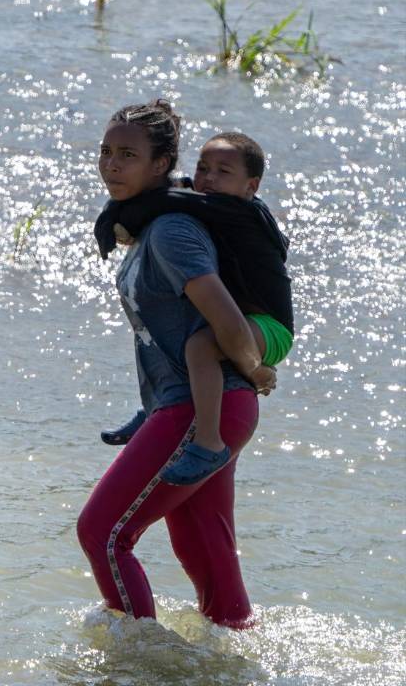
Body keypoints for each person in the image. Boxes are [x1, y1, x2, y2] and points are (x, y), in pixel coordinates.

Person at [76, 100, 277, 629]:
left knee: (104, 533)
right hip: (206, 406)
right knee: (203, 551)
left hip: (201, 408)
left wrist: (257, 369)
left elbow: (227, 321)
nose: (111, 164)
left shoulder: (171, 232)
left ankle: (137, 660)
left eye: (128, 155)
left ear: (161, 165)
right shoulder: (150, 228)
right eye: (106, 151)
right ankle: (235, 652)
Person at [96, 132, 294, 485]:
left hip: (270, 326)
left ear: (251, 186)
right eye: (203, 168)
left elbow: (167, 201)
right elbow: (179, 193)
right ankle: (155, 406)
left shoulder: (239, 211)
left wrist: (114, 213)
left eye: (223, 172)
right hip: (241, 317)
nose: (209, 179)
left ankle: (208, 443)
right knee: (178, 323)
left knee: (200, 346)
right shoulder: (216, 202)